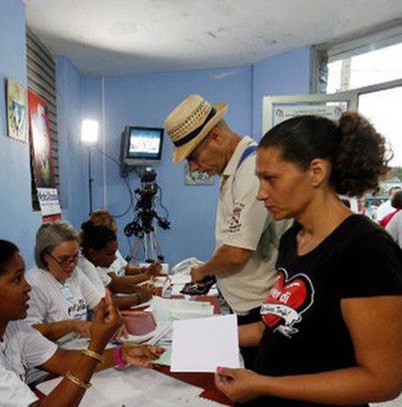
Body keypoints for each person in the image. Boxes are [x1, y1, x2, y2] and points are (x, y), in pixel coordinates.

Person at [214, 113, 402, 406]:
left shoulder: (365, 249)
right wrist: (203, 337)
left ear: (316, 172)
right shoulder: (294, 239)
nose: (261, 194)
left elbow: (383, 381)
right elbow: (275, 327)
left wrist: (266, 384)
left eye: (270, 179)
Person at [0, 237, 163, 406]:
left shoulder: (12, 326)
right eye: (18, 279)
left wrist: (122, 355)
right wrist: (97, 344)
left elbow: (62, 360)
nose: (28, 286)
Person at [163, 94, 288, 368]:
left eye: (193, 157)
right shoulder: (234, 170)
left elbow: (236, 253)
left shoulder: (251, 172)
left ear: (217, 137)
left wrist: (203, 270)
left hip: (259, 308)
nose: (194, 167)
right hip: (245, 305)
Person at [25, 221, 104, 345]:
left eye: (75, 257)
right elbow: (30, 332)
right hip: (52, 354)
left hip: (78, 345)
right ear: (45, 256)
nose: (72, 264)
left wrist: (113, 320)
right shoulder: (34, 283)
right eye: (64, 259)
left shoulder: (76, 274)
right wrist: (71, 325)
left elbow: (100, 305)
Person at [78, 220, 154, 309]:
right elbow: (105, 302)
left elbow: (113, 285)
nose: (115, 258)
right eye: (110, 254)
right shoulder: (85, 265)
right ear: (93, 253)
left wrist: (139, 289)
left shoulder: (95, 262)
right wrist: (139, 298)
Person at [89, 209, 163, 278]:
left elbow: (126, 269)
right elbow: (116, 283)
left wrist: (144, 270)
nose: (114, 257)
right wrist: (146, 276)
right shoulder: (98, 253)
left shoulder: (110, 246)